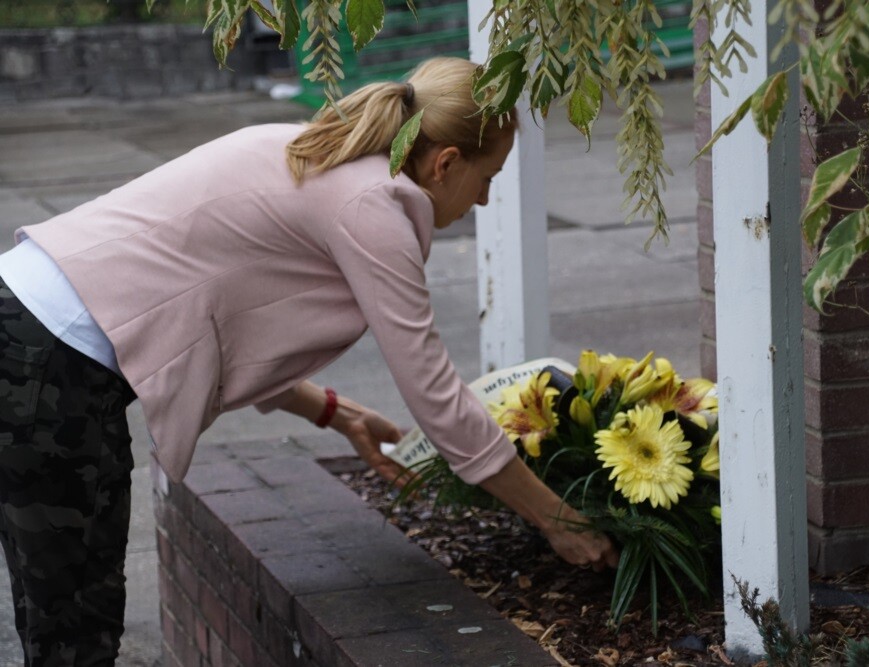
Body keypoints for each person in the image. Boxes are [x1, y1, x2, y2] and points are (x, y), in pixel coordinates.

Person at [0, 57, 618, 664]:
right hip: (51, 369)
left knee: (51, 615)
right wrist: (558, 520)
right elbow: (437, 398)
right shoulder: (372, 204)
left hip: (24, 328)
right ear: (446, 162)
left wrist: (334, 412)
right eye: (488, 178)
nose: (483, 199)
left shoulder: (316, 153)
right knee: (76, 635)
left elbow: (227, 319)